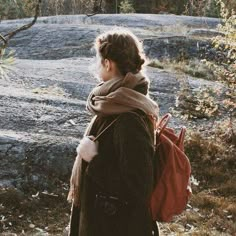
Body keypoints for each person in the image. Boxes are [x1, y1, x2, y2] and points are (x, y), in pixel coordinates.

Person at [67, 28, 160, 236]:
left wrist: (93, 158)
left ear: (108, 63)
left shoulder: (128, 116)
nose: (96, 65)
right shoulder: (115, 104)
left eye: (98, 59)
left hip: (116, 227)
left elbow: (139, 187)